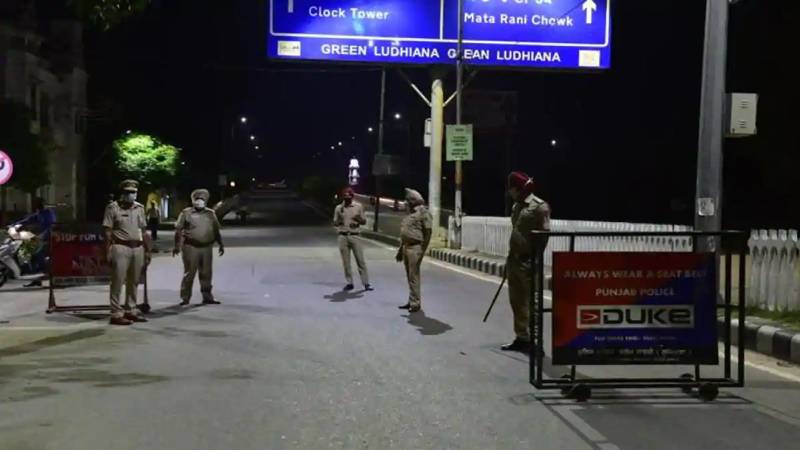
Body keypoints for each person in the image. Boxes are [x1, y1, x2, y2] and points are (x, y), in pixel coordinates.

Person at [502, 172, 551, 352]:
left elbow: (544, 235)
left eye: (512, 189)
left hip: (529, 262)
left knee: (533, 303)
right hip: (514, 260)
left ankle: (536, 342)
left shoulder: (540, 207)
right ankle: (522, 337)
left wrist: (534, 258)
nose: (510, 192)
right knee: (516, 302)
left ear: (518, 189)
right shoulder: (517, 206)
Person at [103, 180, 151, 325]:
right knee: (117, 281)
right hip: (120, 247)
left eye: (134, 192)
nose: (132, 195)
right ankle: (116, 313)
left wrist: (148, 250)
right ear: (122, 193)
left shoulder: (139, 208)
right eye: (129, 192)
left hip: (138, 248)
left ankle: (131, 310)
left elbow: (143, 230)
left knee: (134, 281)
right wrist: (107, 251)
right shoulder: (113, 208)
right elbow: (108, 231)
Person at [173, 189, 225, 306]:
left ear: (206, 201)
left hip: (207, 247)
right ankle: (185, 297)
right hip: (190, 247)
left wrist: (220, 244)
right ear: (193, 200)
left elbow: (216, 230)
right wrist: (176, 246)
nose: (199, 201)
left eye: (202, 199)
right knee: (189, 273)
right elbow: (178, 230)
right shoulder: (186, 213)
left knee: (206, 273)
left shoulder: (210, 213)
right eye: (197, 199)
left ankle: (207, 296)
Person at [396, 188, 432, 313]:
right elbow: (405, 234)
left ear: (413, 201)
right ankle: (411, 300)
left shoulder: (423, 213)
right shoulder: (410, 214)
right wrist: (400, 250)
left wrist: (422, 249)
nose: (406, 202)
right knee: (410, 276)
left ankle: (415, 303)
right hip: (407, 247)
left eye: (408, 200)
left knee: (414, 276)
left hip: (415, 247)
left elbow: (428, 233)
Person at [333, 187, 372, 291]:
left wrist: (358, 220)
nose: (347, 198)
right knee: (346, 262)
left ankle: (366, 283)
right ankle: (349, 282)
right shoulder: (338, 208)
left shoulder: (358, 206)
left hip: (355, 235)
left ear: (352, 196)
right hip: (343, 236)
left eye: (349, 196)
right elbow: (335, 222)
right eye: (345, 196)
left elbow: (364, 221)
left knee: (360, 260)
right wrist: (339, 221)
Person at [15, 197, 56, 287]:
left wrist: (43, 235)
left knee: (37, 253)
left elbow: (51, 226)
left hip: (49, 238)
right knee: (29, 252)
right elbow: (28, 220)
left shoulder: (48, 213)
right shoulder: (39, 213)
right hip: (42, 237)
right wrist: (15, 224)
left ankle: (44, 271)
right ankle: (36, 278)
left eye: (37, 204)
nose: (35, 206)